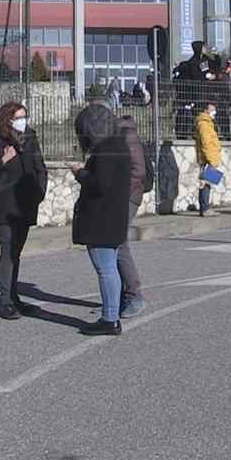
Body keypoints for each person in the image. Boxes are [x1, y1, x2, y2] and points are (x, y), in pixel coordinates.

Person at [0, 101, 48, 320]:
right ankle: (6, 301)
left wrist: (40, 192)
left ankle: (14, 297)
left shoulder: (31, 140)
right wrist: (3, 160)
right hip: (3, 207)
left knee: (16, 253)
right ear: (7, 120)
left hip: (25, 205)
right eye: (18, 117)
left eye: (24, 116)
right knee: (8, 251)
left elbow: (40, 168)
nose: (22, 121)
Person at [70, 103, 132, 336]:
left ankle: (110, 319)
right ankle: (111, 315)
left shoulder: (105, 150)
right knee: (110, 269)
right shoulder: (119, 145)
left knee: (106, 270)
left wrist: (80, 173)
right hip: (114, 217)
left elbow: (99, 185)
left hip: (101, 219)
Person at [116, 111, 148, 317]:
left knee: (118, 242)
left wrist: (119, 191)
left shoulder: (126, 135)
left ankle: (134, 295)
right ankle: (122, 295)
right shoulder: (120, 134)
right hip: (123, 195)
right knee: (115, 243)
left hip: (127, 196)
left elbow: (137, 171)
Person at [193, 100, 222, 216]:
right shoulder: (204, 124)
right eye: (212, 110)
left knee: (208, 182)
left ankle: (205, 207)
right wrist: (211, 160)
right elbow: (206, 143)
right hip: (208, 159)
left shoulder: (208, 123)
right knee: (205, 183)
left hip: (211, 157)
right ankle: (204, 208)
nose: (214, 112)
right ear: (206, 111)